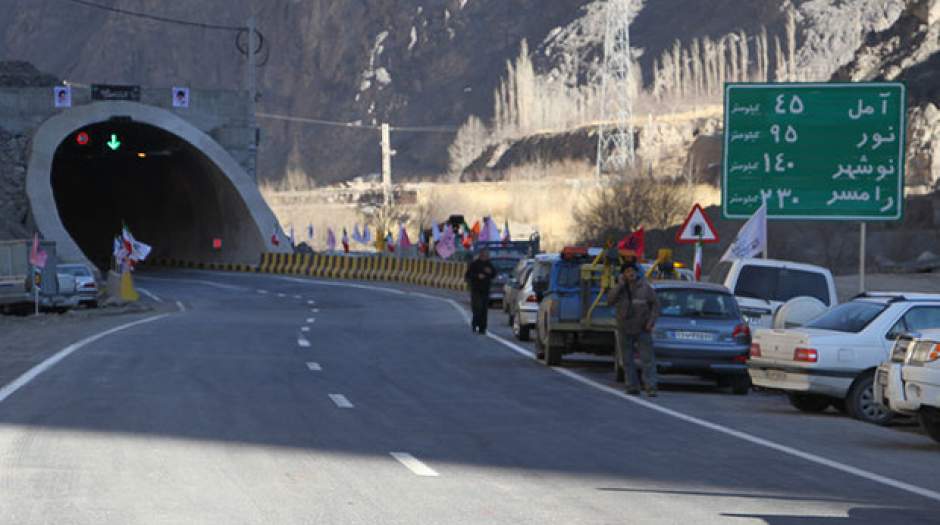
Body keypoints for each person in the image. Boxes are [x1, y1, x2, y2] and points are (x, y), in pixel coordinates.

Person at [608, 262, 661, 396]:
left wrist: (651, 322)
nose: (630, 273)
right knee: (627, 359)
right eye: (627, 271)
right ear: (623, 274)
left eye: (633, 271)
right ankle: (632, 386)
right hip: (624, 328)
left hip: (642, 328)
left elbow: (656, 306)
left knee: (647, 359)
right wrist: (620, 285)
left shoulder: (645, 288)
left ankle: (651, 386)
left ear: (637, 273)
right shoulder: (620, 288)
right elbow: (609, 301)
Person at [465, 248, 496, 334]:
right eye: (485, 255)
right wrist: (477, 276)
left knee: (484, 310)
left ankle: (483, 327)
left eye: (487, 255)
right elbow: (468, 275)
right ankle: (475, 325)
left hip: (485, 290)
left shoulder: (489, 264)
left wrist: (490, 272)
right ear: (481, 255)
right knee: (477, 308)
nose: (486, 257)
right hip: (476, 290)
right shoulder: (474, 264)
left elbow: (494, 274)